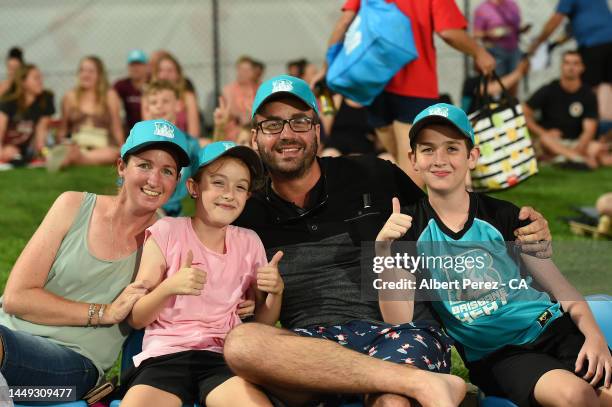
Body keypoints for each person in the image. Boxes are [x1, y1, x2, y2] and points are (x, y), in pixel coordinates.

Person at [222, 74, 552, 407]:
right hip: (312, 347)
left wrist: (520, 228)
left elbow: (449, 215)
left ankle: (405, 385)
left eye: (300, 122)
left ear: (317, 131)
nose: (288, 134)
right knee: (242, 344)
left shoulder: (372, 175)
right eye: (273, 125)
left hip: (400, 333)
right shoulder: (246, 216)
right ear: (255, 138)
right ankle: (424, 385)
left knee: (392, 402)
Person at [376, 102, 612, 407]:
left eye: (452, 149)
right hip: (500, 355)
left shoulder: (503, 215)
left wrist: (594, 337)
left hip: (552, 327)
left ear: (471, 156)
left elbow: (560, 287)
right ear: (413, 159)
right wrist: (383, 251)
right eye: (428, 149)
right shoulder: (408, 227)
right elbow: (399, 318)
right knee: (574, 395)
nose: (439, 159)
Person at [0, 119, 191, 399]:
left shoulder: (170, 240)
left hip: (71, 370)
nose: (154, 180)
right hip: (9, 334)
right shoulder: (72, 205)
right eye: (145, 165)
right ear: (121, 167)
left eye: (167, 171)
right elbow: (17, 298)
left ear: (177, 182)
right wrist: (104, 312)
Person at [121, 141, 280, 407]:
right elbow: (137, 318)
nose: (230, 194)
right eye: (219, 183)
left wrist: (276, 292)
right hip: (165, 356)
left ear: (248, 196)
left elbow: (262, 323)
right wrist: (169, 287)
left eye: (240, 187)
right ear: (194, 187)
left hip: (223, 357)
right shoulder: (167, 231)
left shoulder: (249, 241)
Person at [313, 0, 496, 186]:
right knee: (413, 169)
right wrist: (480, 53)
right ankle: (409, 213)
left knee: (402, 164)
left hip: (374, 84)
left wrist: (327, 67)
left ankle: (396, 210)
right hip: (415, 85)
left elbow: (344, 22)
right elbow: (448, 32)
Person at [523, 51, 605, 168]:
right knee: (545, 139)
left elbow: (589, 130)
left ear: (582, 68)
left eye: (575, 64)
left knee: (595, 147)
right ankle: (577, 160)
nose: (571, 68)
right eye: (567, 63)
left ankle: (562, 158)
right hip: (553, 141)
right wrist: (544, 132)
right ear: (561, 66)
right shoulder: (549, 89)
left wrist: (580, 148)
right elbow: (524, 114)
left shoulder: (588, 94)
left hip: (576, 142)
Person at [48, 55, 124, 171]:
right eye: (82, 70)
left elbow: (116, 127)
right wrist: (61, 145)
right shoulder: (69, 97)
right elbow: (63, 128)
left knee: (112, 153)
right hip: (77, 144)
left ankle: (79, 159)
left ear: (99, 75)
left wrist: (123, 150)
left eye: (90, 71)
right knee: (70, 149)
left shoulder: (110, 96)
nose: (85, 75)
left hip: (103, 146)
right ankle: (73, 156)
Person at [142, 80, 200, 217]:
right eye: (153, 102)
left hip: (177, 213)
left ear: (178, 105)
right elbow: (125, 185)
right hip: (145, 209)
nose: (159, 106)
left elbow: (203, 179)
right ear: (147, 108)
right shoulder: (140, 143)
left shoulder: (190, 145)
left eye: (165, 101)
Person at [527, 0, 612, 93]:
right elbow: (587, 20)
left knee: (589, 88)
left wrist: (538, 42)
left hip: (592, 45)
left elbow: (555, 20)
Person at [0, 64, 54, 165]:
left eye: (41, 77)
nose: (41, 81)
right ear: (23, 82)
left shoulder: (45, 100)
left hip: (21, 150)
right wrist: (2, 152)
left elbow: (40, 139)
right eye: (36, 78)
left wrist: (46, 154)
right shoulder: (8, 101)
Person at [145, 52, 201, 138]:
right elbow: (147, 128)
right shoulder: (148, 96)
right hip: (156, 141)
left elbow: (194, 133)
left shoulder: (188, 97)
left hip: (184, 142)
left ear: (178, 74)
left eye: (170, 70)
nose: (165, 74)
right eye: (161, 70)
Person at [473, 0, 524, 77]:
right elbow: (476, 34)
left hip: (514, 50)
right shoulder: (482, 8)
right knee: (497, 81)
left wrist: (521, 30)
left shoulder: (512, 4)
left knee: (514, 79)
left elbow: (516, 27)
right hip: (495, 51)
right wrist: (490, 33)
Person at [221, 56, 259, 141]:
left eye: (246, 70)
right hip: (235, 130)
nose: (243, 73)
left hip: (253, 127)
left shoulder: (259, 88)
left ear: (253, 72)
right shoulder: (229, 89)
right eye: (240, 70)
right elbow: (231, 109)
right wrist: (244, 116)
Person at [114, 49, 150, 132]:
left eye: (139, 64)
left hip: (150, 128)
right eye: (132, 65)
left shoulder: (154, 84)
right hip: (129, 131)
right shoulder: (122, 85)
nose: (135, 68)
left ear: (147, 66)